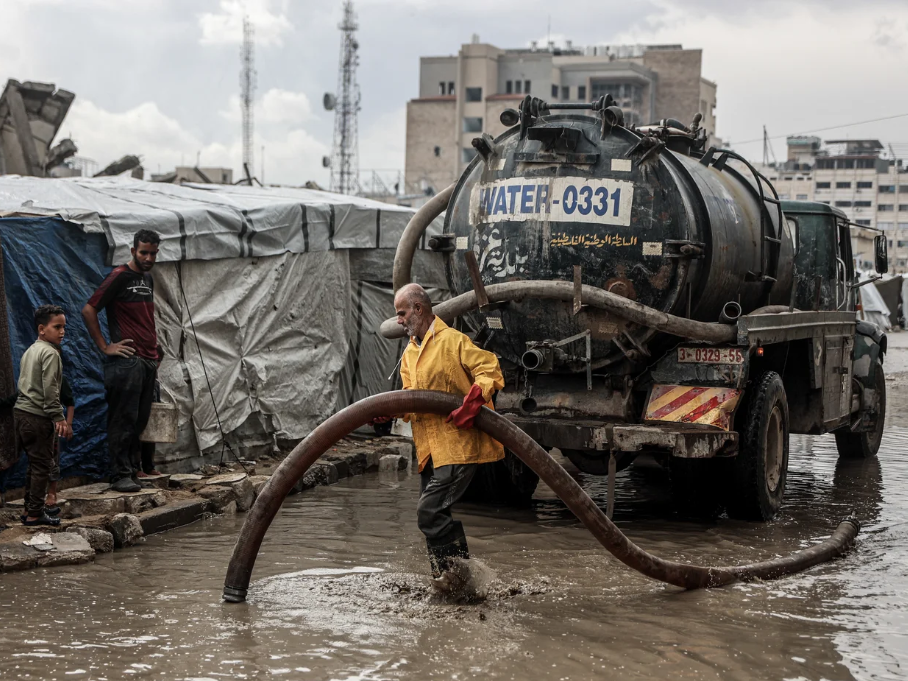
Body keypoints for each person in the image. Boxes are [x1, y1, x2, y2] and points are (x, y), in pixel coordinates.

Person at [391, 283, 505, 593]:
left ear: (419, 309)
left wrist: (473, 401)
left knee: (429, 513)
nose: (398, 320)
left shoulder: (453, 341)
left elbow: (490, 368)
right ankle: (451, 583)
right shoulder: (410, 353)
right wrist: (386, 411)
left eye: (401, 313)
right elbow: (410, 400)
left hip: (458, 446)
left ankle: (459, 579)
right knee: (434, 516)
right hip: (429, 451)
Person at [82, 229, 162, 493]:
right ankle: (119, 475)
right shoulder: (119, 276)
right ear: (132, 251)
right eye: (143, 252)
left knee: (139, 421)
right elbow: (89, 309)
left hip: (148, 359)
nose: (148, 257)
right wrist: (105, 346)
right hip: (128, 361)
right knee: (123, 420)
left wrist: (155, 347)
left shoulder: (147, 278)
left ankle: (132, 470)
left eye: (153, 253)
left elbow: (144, 319)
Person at [15, 305, 69, 526]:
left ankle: (30, 509)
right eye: (57, 327)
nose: (62, 332)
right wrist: (59, 416)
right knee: (42, 466)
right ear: (41, 329)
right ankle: (35, 513)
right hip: (38, 416)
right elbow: (50, 390)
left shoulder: (30, 351)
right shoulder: (50, 353)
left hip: (21, 413)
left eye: (64, 327)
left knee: (34, 464)